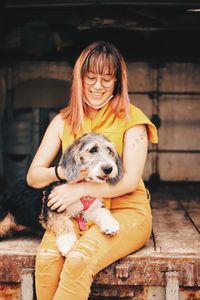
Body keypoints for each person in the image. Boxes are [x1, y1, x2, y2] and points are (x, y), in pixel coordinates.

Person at [26, 40, 158, 300]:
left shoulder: (133, 119)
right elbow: (33, 176)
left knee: (78, 260)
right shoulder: (63, 120)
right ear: (80, 78)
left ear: (118, 81)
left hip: (124, 212)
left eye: (107, 79)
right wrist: (64, 174)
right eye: (92, 77)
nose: (98, 86)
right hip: (75, 214)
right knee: (47, 260)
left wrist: (81, 188)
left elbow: (129, 180)